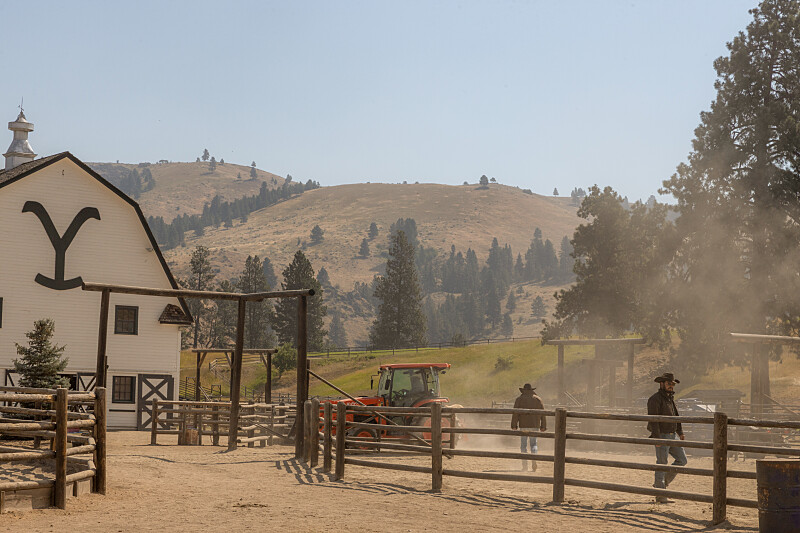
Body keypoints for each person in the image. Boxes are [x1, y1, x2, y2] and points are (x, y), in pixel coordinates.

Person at [647, 372, 687, 503]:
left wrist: (680, 431)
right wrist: (657, 437)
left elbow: (676, 416)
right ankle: (660, 494)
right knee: (662, 463)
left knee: (682, 460)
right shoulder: (655, 399)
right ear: (662, 384)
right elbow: (653, 420)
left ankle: (662, 485)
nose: (671, 386)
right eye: (669, 384)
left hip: (672, 434)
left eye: (672, 384)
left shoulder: (669, 399)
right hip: (663, 435)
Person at [511, 383, 546, 471]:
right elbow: (543, 414)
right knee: (534, 444)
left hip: (523, 425)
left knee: (523, 445)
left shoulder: (519, 399)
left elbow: (515, 413)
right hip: (535, 425)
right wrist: (543, 426)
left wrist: (514, 425)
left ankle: (525, 466)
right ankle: (534, 461)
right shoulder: (538, 399)